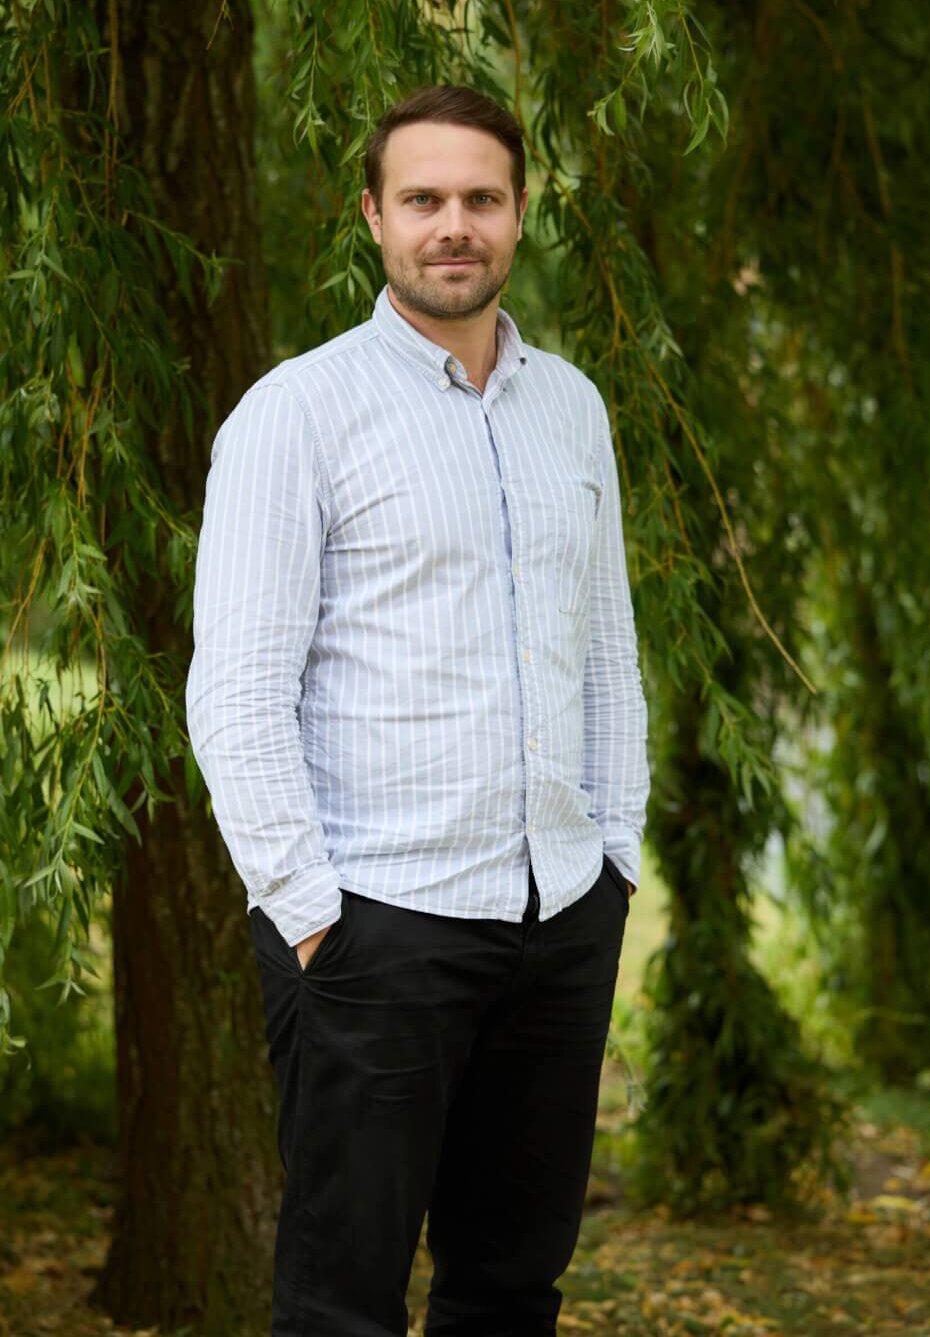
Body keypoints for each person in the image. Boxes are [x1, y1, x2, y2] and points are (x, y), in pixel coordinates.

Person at [186, 83, 650, 1337]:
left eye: (481, 198)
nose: (456, 225)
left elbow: (607, 651)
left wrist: (611, 863)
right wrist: (311, 916)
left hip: (558, 920)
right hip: (374, 926)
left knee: (510, 1288)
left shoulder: (573, 408)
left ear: (520, 212)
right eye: (425, 198)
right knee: (342, 1302)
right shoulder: (298, 412)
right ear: (374, 216)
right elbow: (237, 689)